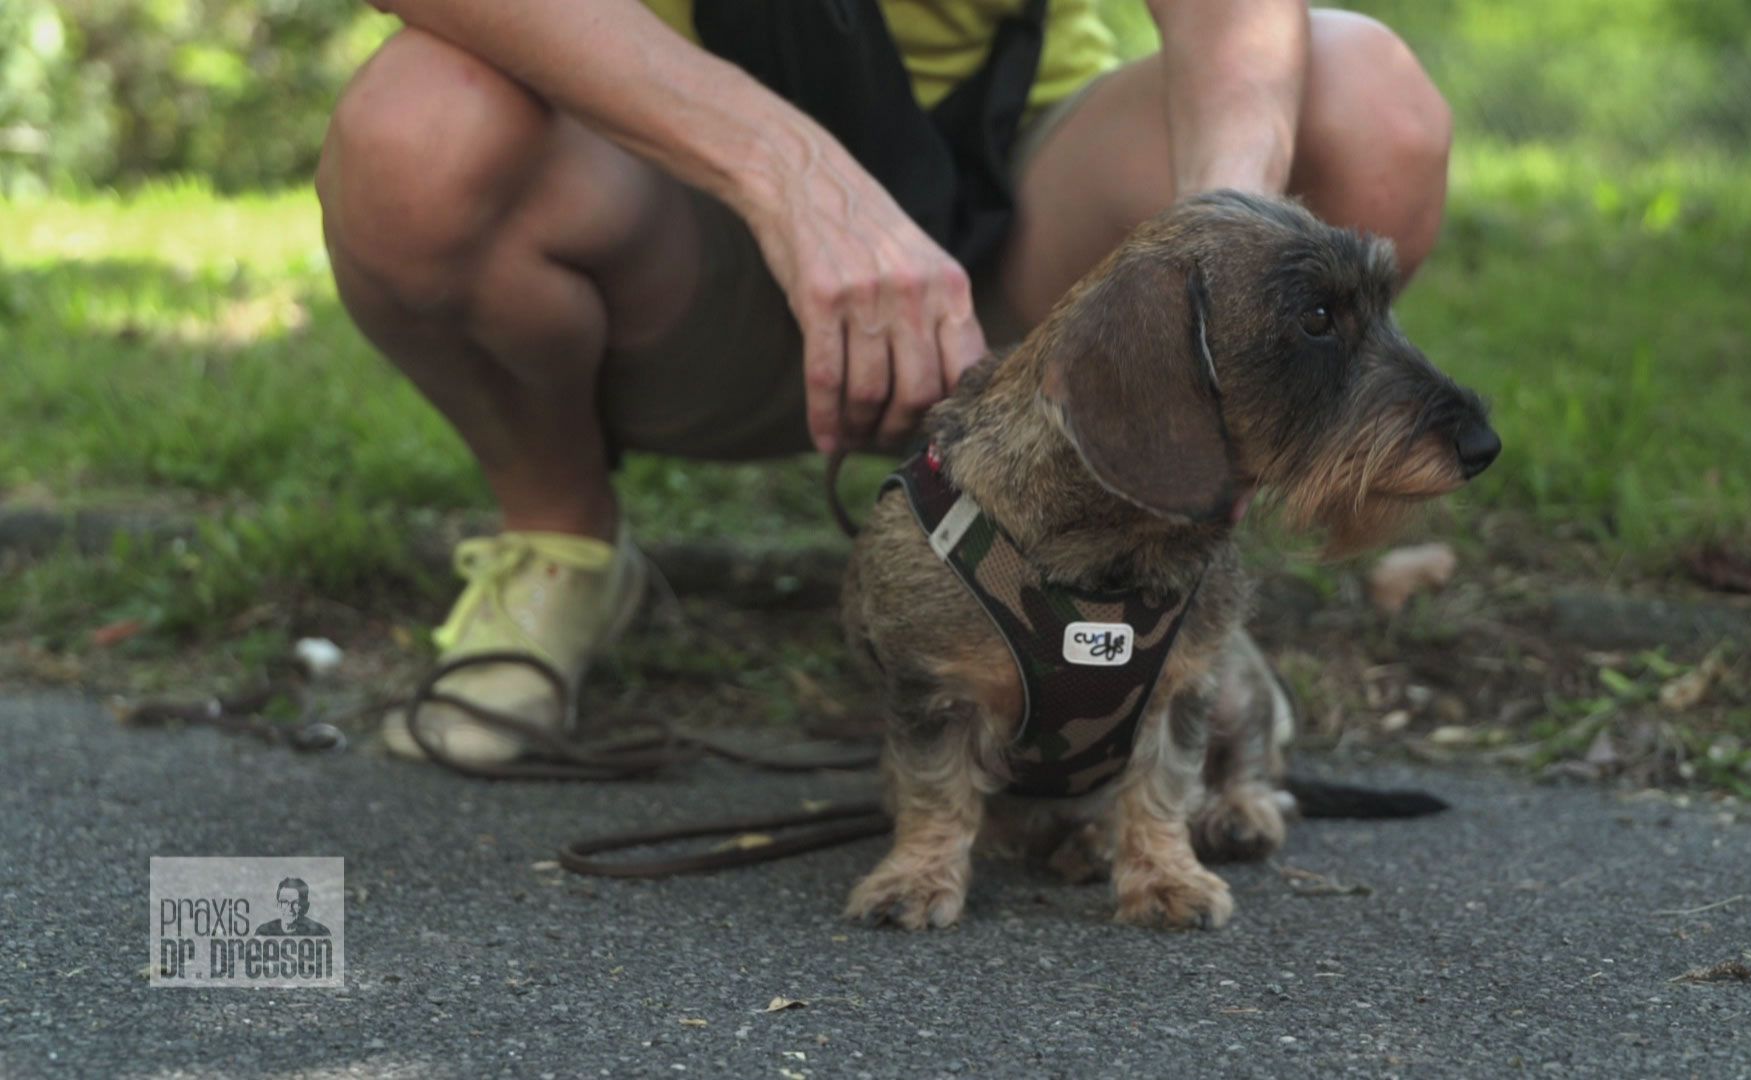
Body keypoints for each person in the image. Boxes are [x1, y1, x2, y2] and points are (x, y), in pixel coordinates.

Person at [314, 0, 1452, 764]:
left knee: (1367, 105)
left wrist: (1229, 256)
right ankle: (561, 542)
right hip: (673, 201)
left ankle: (1155, 598)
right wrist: (789, 172)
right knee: (421, 134)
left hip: (1040, 222)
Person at [254, 878, 332, 937]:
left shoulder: (320, 933)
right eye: (284, 902)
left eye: (296, 903)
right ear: (278, 904)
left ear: (306, 906)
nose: (289, 908)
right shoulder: (263, 932)